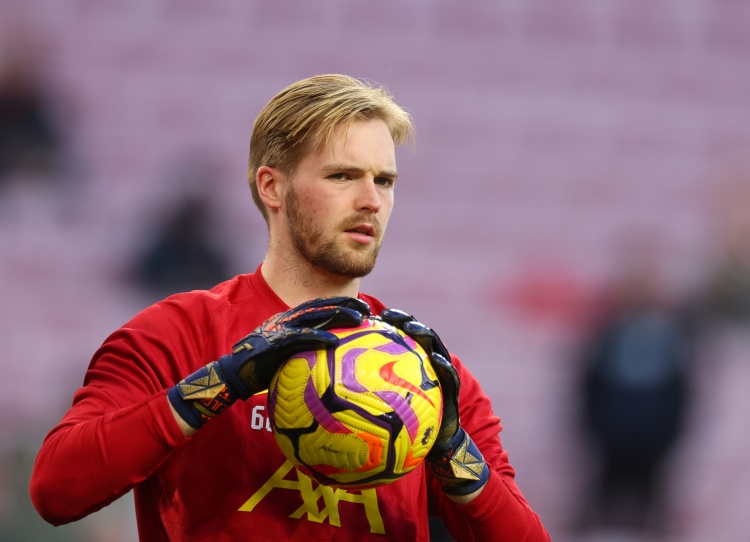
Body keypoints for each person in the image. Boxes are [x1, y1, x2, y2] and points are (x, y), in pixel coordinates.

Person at [29, 74, 550, 541]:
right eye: (342, 176)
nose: (371, 200)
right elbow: (56, 490)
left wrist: (453, 450)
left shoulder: (426, 374)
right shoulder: (177, 332)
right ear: (272, 187)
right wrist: (220, 383)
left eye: (384, 180)